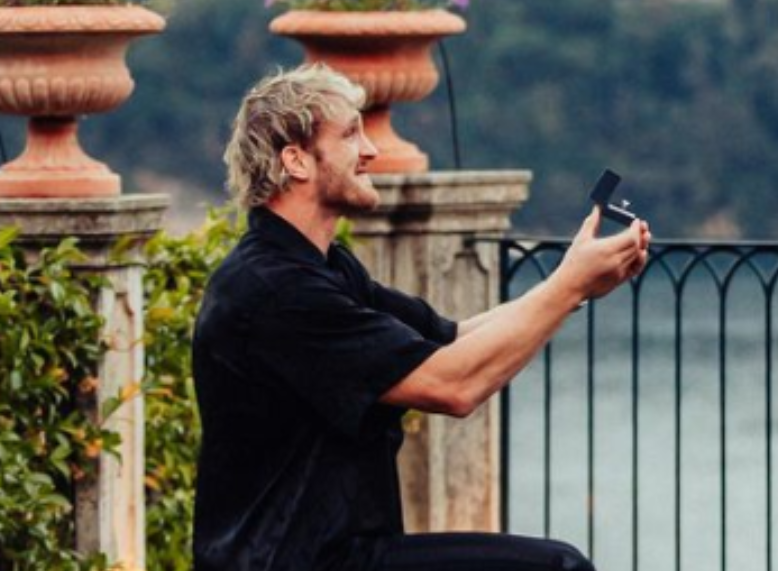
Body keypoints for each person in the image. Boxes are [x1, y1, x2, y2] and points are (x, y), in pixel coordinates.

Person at [192, 64, 651, 571]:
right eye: (350, 134)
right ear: (296, 161)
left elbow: (452, 339)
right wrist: (569, 286)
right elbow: (452, 385)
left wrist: (574, 285)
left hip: (344, 553)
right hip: (301, 562)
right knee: (558, 568)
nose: (370, 150)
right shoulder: (276, 290)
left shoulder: (321, 267)